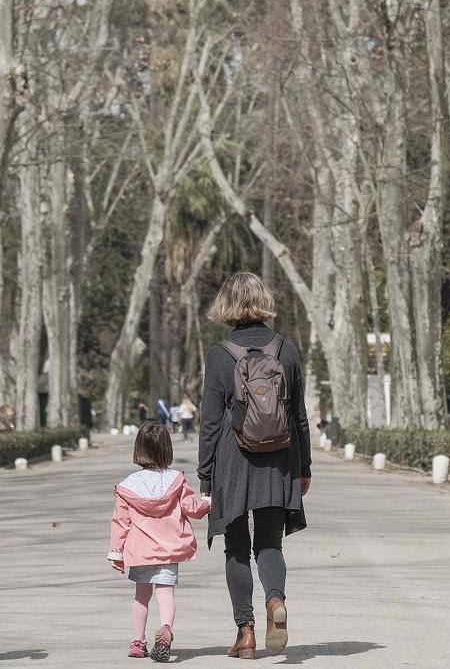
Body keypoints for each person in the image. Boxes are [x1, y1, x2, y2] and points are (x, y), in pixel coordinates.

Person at [197, 271, 311, 660]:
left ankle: (245, 634)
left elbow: (210, 421)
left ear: (226, 305)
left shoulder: (220, 354)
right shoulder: (286, 350)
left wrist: (205, 475)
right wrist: (304, 468)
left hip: (233, 462)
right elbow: (299, 417)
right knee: (269, 542)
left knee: (235, 549)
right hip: (279, 460)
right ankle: (274, 601)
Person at [108, 422, 211, 663]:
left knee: (141, 596)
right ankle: (165, 628)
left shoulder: (128, 486)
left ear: (139, 449)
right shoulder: (176, 480)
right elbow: (192, 508)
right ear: (167, 449)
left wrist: (116, 552)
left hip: (140, 550)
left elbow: (121, 522)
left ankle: (137, 641)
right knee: (165, 595)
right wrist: (207, 501)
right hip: (169, 549)